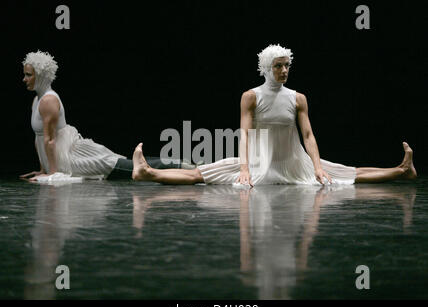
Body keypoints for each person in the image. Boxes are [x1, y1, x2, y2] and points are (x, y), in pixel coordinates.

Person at [131, 44, 417, 186]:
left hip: (293, 162)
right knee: (199, 174)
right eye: (279, 66)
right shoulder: (251, 96)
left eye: (287, 65)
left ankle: (402, 169)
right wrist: (244, 168)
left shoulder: (298, 98)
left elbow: (308, 135)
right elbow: (243, 133)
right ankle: (148, 171)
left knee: (347, 173)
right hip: (257, 163)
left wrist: (316, 166)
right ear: (267, 68)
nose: (284, 70)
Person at [20, 50, 191, 182]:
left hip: (70, 155)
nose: (24, 79)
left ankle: (182, 166)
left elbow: (49, 140)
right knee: (123, 165)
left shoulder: (48, 101)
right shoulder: (37, 100)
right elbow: (40, 138)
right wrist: (44, 169)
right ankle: (179, 165)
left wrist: (52, 173)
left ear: (41, 75)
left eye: (29, 75)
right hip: (60, 157)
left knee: (120, 167)